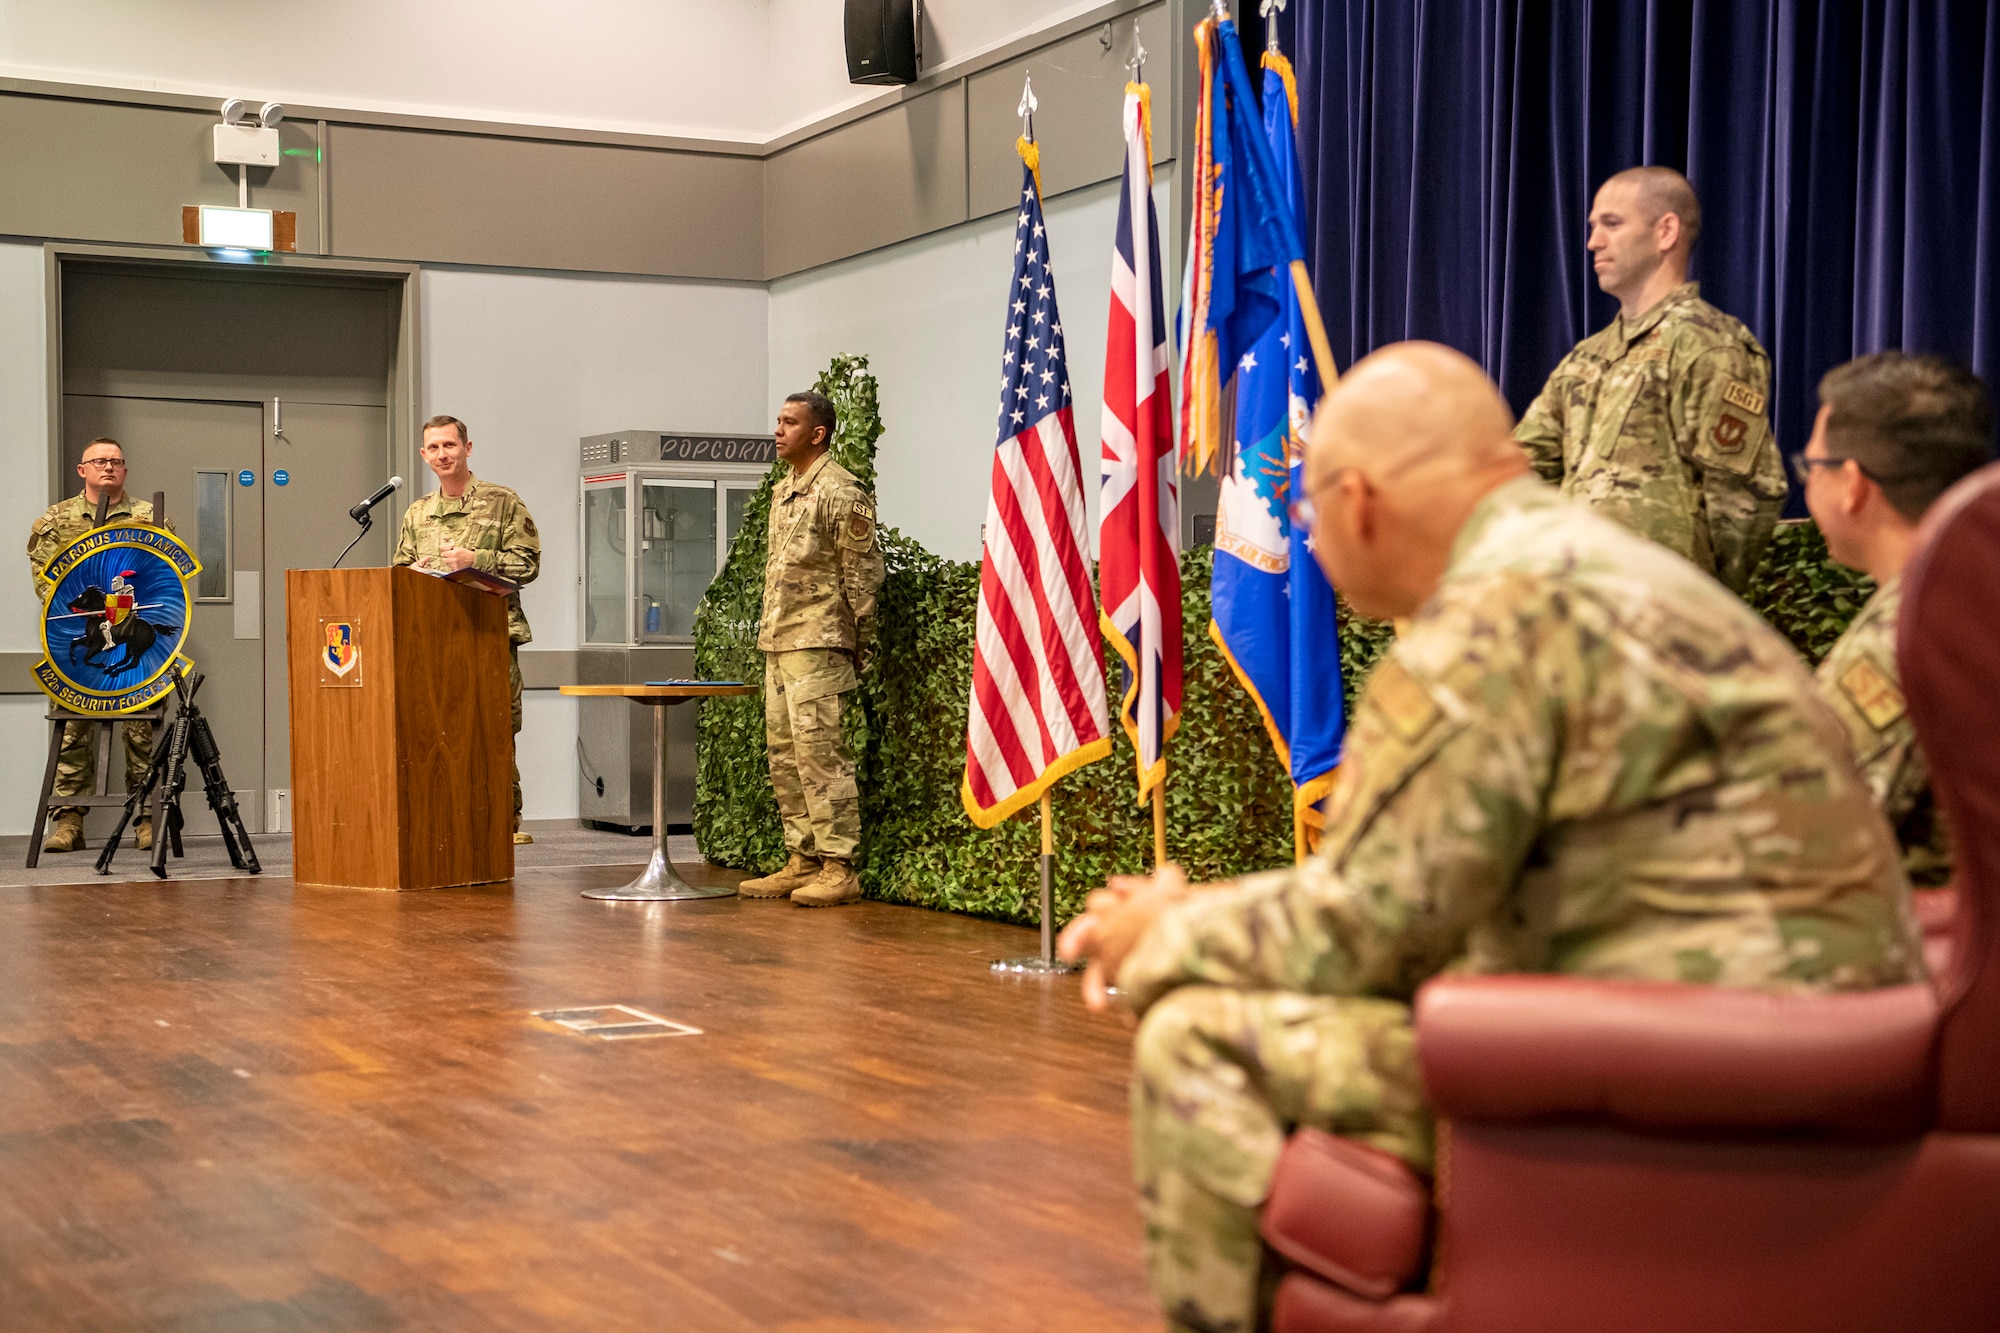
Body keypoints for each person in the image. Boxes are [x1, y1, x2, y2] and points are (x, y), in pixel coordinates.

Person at [1059, 343, 1922, 1333]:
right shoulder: (1591, 564)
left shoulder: (1485, 623)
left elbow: (1367, 929)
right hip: (1810, 1047)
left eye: (1300, 513)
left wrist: (1159, 932)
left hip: (1710, 1072)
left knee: (1193, 1034)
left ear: (1360, 501)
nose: (1308, 541)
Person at [1515, 166, 1787, 593]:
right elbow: (1522, 469)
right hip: (1577, 610)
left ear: (1666, 232)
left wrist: (1702, 599)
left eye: (1612, 224)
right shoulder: (1586, 358)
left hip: (1666, 617)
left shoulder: (1709, 346)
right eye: (1592, 227)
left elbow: (1742, 499)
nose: (1593, 242)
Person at [1798, 352, 1994, 888]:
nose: (1806, 482)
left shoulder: (1901, 641)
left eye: (1810, 467)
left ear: (1853, 485)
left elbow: (1810, 836)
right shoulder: (1976, 599)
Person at [737, 391, 885, 907]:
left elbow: (863, 576)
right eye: (777, 420)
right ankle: (802, 860)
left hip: (821, 644)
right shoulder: (785, 491)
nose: (777, 430)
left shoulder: (842, 491)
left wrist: (859, 643)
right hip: (780, 642)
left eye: (789, 422)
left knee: (822, 757)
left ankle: (839, 867)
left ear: (817, 433)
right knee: (785, 757)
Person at [391, 415, 542, 844]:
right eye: (434, 448)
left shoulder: (502, 501)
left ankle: (501, 822)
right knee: (436, 729)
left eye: (450, 446)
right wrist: (412, 573)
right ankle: (445, 818)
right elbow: (400, 567)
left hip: (490, 636)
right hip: (432, 640)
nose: (442, 455)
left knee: (495, 727)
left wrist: (477, 559)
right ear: (424, 455)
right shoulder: (418, 512)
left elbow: (528, 565)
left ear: (468, 448)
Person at [28, 437, 169, 854]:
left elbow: (165, 573)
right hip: (80, 632)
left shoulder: (150, 517)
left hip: (130, 625)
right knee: (73, 730)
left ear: (124, 470)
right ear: (82, 470)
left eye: (116, 461)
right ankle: (68, 822)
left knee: (142, 729)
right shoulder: (56, 520)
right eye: (99, 461)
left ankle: (146, 818)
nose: (108, 467)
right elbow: (47, 583)